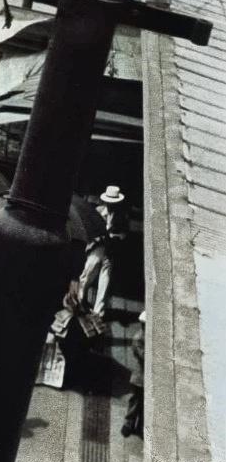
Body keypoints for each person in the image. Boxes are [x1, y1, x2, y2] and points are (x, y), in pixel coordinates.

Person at [77, 185, 128, 317]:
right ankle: (80, 300)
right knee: (88, 273)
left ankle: (99, 311)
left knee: (104, 279)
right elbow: (90, 229)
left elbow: (124, 235)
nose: (110, 205)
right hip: (98, 246)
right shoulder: (98, 211)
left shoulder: (121, 216)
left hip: (111, 248)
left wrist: (115, 236)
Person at [121, 310, 145, 438]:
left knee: (143, 403)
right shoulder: (138, 339)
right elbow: (143, 356)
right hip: (139, 377)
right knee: (135, 401)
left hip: (143, 377)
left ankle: (140, 425)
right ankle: (128, 423)